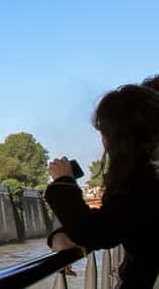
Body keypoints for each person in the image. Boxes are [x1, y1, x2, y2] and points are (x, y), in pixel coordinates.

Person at [44, 83, 159, 288]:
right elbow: (115, 224)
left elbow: (95, 231)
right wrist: (63, 234)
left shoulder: (142, 181)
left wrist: (63, 181)